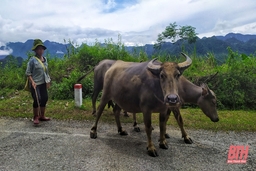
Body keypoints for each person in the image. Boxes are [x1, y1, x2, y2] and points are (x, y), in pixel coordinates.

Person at [25, 39, 51, 125]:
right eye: (39, 49)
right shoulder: (32, 60)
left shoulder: (45, 59)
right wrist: (32, 82)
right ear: (35, 50)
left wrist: (48, 81)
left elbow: (46, 72)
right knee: (37, 99)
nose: (41, 50)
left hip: (43, 82)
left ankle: (42, 115)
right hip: (35, 83)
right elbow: (28, 73)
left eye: (42, 49)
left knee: (44, 98)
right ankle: (35, 116)